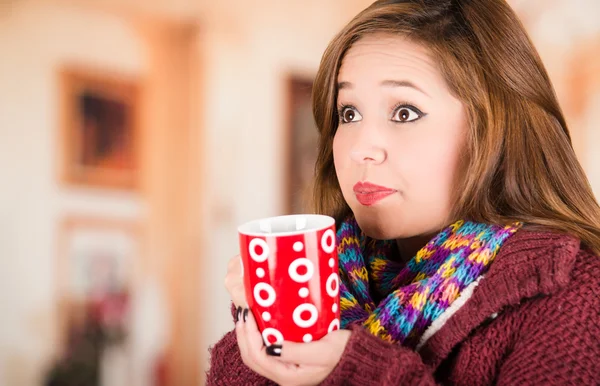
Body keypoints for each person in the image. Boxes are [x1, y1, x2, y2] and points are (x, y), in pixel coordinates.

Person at [207, 0, 600, 384]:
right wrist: (264, 325)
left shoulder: (576, 297)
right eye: (349, 112)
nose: (360, 146)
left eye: (405, 112)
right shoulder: (331, 276)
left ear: (496, 133)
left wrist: (359, 371)